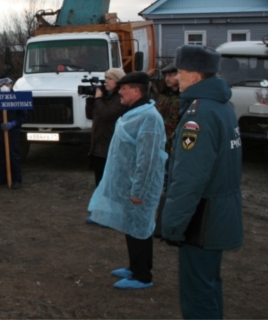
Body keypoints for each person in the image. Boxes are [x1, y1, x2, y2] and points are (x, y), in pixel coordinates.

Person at [161, 45, 243, 319]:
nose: (177, 79)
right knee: (208, 284)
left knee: (197, 293)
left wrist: (172, 226)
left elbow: (189, 179)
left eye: (181, 73)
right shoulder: (222, 106)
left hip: (202, 219)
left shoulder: (199, 115)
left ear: (195, 76)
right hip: (218, 213)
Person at [87, 71, 167, 290]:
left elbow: (148, 159)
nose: (119, 91)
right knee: (131, 226)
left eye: (123, 88)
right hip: (129, 182)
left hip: (140, 186)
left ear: (136, 90)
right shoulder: (135, 112)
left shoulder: (149, 118)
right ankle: (134, 267)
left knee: (140, 228)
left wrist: (139, 190)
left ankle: (143, 276)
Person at [85, 68, 126, 187]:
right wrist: (90, 101)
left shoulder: (120, 99)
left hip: (110, 147)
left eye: (110, 79)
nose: (106, 82)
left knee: (109, 182)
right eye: (105, 79)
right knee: (99, 181)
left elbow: (107, 115)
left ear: (118, 82)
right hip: (98, 147)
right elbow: (90, 115)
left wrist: (98, 99)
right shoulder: (105, 98)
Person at [0, 77, 28, 190]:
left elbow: (24, 116)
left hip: (12, 132)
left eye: (7, 83)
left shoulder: (18, 98)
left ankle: (16, 179)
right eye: (2, 84)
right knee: (1, 156)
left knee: (13, 155)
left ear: (11, 84)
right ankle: (2, 178)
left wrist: (14, 123)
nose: (5, 86)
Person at [155, 63, 180, 156]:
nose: (167, 79)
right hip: (161, 140)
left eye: (170, 76)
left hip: (175, 142)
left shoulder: (183, 97)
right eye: (165, 76)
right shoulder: (163, 95)